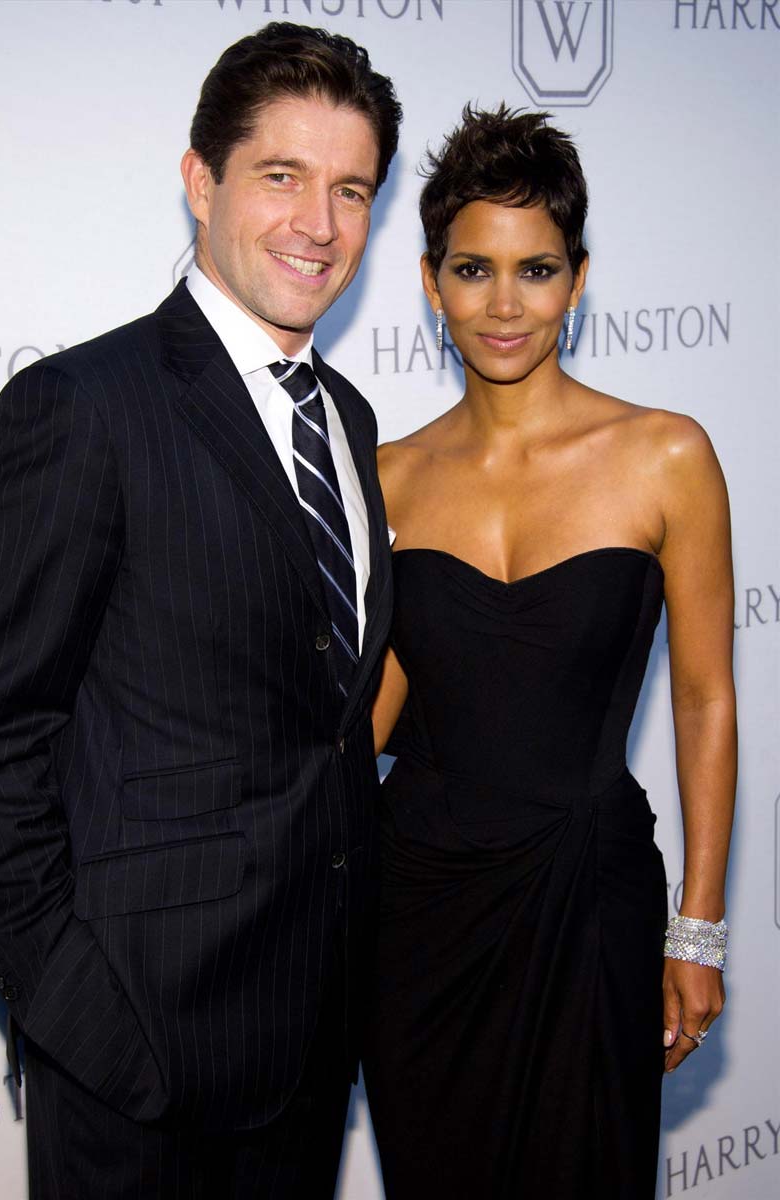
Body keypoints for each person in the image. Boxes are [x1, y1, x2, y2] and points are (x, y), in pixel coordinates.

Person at [0, 22, 401, 1200]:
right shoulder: (82, 407)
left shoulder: (349, 420)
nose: (318, 223)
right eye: (281, 175)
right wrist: (78, 1014)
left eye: (351, 189)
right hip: (139, 1058)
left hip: (311, 1045)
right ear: (200, 181)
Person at [363, 106, 736, 1199]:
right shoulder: (385, 476)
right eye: (472, 269)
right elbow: (365, 722)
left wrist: (698, 932)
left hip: (589, 899)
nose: (503, 304)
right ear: (430, 283)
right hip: (418, 915)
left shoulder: (665, 455)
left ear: (577, 281)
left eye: (535, 270)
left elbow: (705, 699)